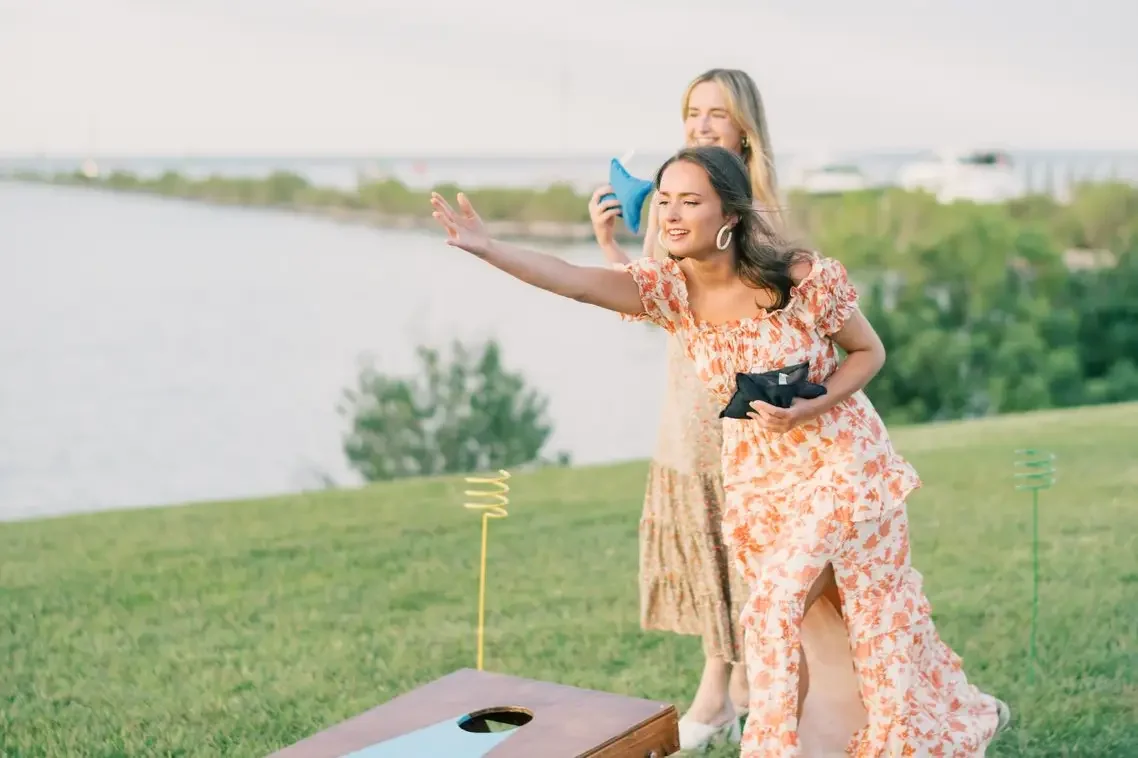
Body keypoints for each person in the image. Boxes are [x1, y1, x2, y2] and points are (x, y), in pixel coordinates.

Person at [427, 145, 1010, 757]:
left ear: (728, 214)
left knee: (781, 611)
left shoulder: (799, 279)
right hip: (762, 485)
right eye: (666, 202)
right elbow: (574, 282)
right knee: (794, 626)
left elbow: (869, 353)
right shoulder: (670, 293)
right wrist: (490, 249)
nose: (672, 215)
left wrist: (811, 405)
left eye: (691, 201)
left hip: (845, 468)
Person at [586, 68, 853, 752]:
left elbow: (787, 311)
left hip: (750, 402)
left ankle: (734, 691)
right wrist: (611, 246)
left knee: (750, 544)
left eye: (718, 114)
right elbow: (658, 305)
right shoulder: (678, 190)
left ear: (745, 128)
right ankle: (728, 687)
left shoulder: (757, 210)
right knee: (711, 537)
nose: (703, 125)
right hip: (688, 393)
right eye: (693, 113)